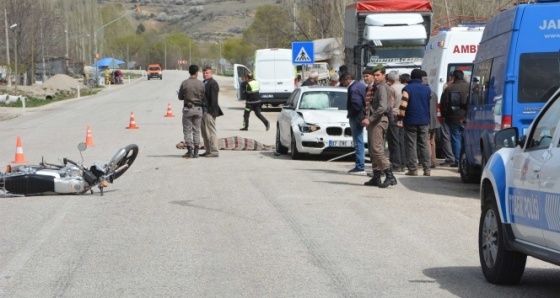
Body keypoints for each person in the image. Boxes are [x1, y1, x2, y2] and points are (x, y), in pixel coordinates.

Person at [362, 66, 396, 187]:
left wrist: (370, 119)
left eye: (378, 75)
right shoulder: (377, 87)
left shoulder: (382, 87)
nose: (375, 77)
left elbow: (382, 107)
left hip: (379, 120)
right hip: (374, 121)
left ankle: (389, 175)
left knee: (377, 149)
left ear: (383, 75)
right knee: (373, 150)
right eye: (374, 75)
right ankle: (376, 176)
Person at [397, 69, 432, 176]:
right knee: (424, 144)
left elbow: (403, 105)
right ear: (421, 78)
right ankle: (427, 169)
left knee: (411, 145)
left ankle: (413, 169)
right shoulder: (427, 89)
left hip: (410, 120)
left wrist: (400, 118)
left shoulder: (407, 89)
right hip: (424, 120)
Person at [440, 69, 469, 167]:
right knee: (466, 139)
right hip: (468, 117)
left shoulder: (449, 88)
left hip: (453, 118)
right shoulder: (470, 87)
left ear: (454, 77)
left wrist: (444, 115)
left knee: (456, 139)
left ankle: (458, 161)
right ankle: (467, 159)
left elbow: (444, 104)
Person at [340, 72, 367, 175]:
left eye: (344, 82)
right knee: (359, 141)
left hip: (356, 117)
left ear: (348, 79)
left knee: (358, 141)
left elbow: (356, 104)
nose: (344, 84)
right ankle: (360, 165)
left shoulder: (353, 88)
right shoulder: (360, 85)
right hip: (361, 115)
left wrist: (351, 113)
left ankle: (360, 166)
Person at [178, 64, 206, 158]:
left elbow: (180, 97)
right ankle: (196, 151)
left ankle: (190, 150)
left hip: (188, 109)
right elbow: (204, 97)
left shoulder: (184, 83)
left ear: (189, 72)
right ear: (197, 72)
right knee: (196, 130)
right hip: (198, 109)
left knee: (187, 130)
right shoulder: (201, 84)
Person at [386, 72, 407, 172]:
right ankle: (403, 163)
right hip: (404, 115)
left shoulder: (391, 89)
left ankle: (396, 164)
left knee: (394, 141)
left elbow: (390, 104)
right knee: (401, 140)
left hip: (394, 115)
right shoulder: (405, 87)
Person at [201, 66, 223, 158]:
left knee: (211, 132)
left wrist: (211, 112)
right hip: (203, 111)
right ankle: (208, 150)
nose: (205, 74)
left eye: (207, 73)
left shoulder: (213, 83)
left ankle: (214, 151)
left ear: (211, 73)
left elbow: (214, 100)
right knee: (204, 132)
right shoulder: (204, 83)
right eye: (204, 73)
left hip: (209, 112)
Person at [421, 70, 440, 169]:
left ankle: (427, 162)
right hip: (434, 120)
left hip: (427, 120)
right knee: (432, 141)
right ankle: (433, 161)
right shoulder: (434, 93)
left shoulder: (425, 93)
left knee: (426, 141)